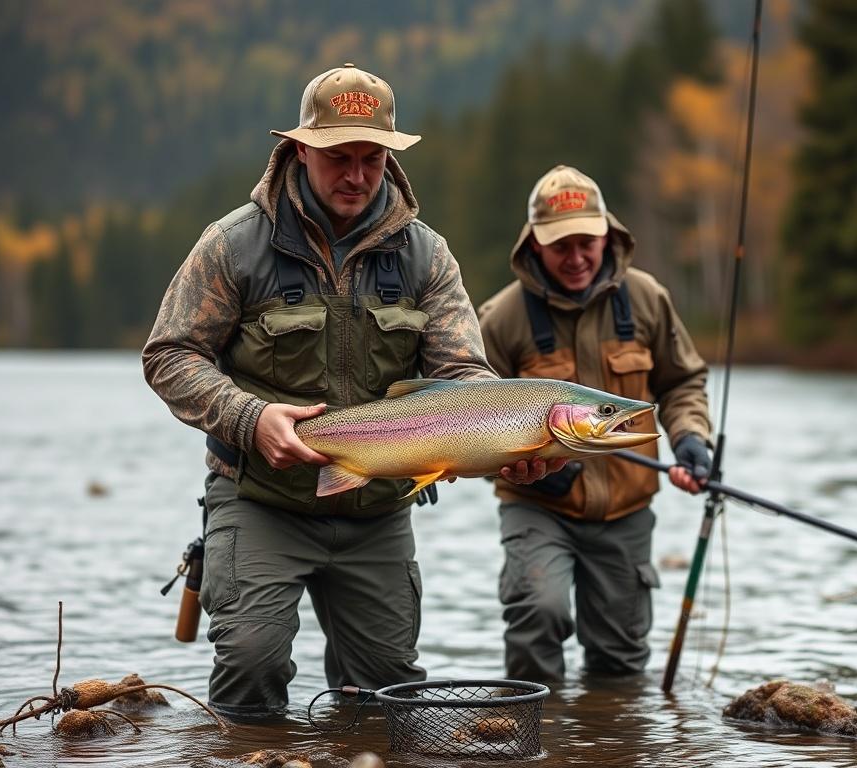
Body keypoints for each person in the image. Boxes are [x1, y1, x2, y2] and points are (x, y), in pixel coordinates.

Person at [142, 64, 560, 719]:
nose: (357, 175)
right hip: (260, 498)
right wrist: (251, 420)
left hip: (377, 511)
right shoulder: (234, 246)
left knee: (388, 695)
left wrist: (511, 441)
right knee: (251, 665)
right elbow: (171, 356)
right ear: (300, 148)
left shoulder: (426, 257)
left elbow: (462, 375)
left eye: (372, 158)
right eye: (339, 156)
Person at [477, 164, 713, 683]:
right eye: (562, 246)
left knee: (620, 658)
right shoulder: (501, 319)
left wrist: (691, 436)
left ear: (609, 235)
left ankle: (610, 745)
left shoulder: (648, 298)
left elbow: (682, 383)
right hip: (538, 509)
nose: (578, 257)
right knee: (539, 612)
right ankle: (527, 743)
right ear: (535, 245)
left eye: (589, 242)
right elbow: (472, 422)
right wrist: (526, 465)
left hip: (626, 512)